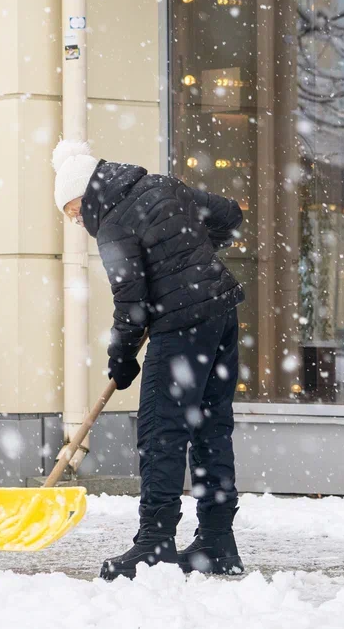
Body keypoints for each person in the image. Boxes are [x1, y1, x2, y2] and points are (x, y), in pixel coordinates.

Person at [52, 140, 246, 580]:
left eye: (74, 211)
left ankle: (154, 545)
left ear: (86, 193)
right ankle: (217, 541)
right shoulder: (161, 185)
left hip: (182, 326)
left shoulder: (113, 224)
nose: (77, 221)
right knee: (210, 428)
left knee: (162, 433)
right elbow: (230, 214)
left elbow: (131, 302)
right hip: (220, 312)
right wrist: (192, 259)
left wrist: (120, 357)